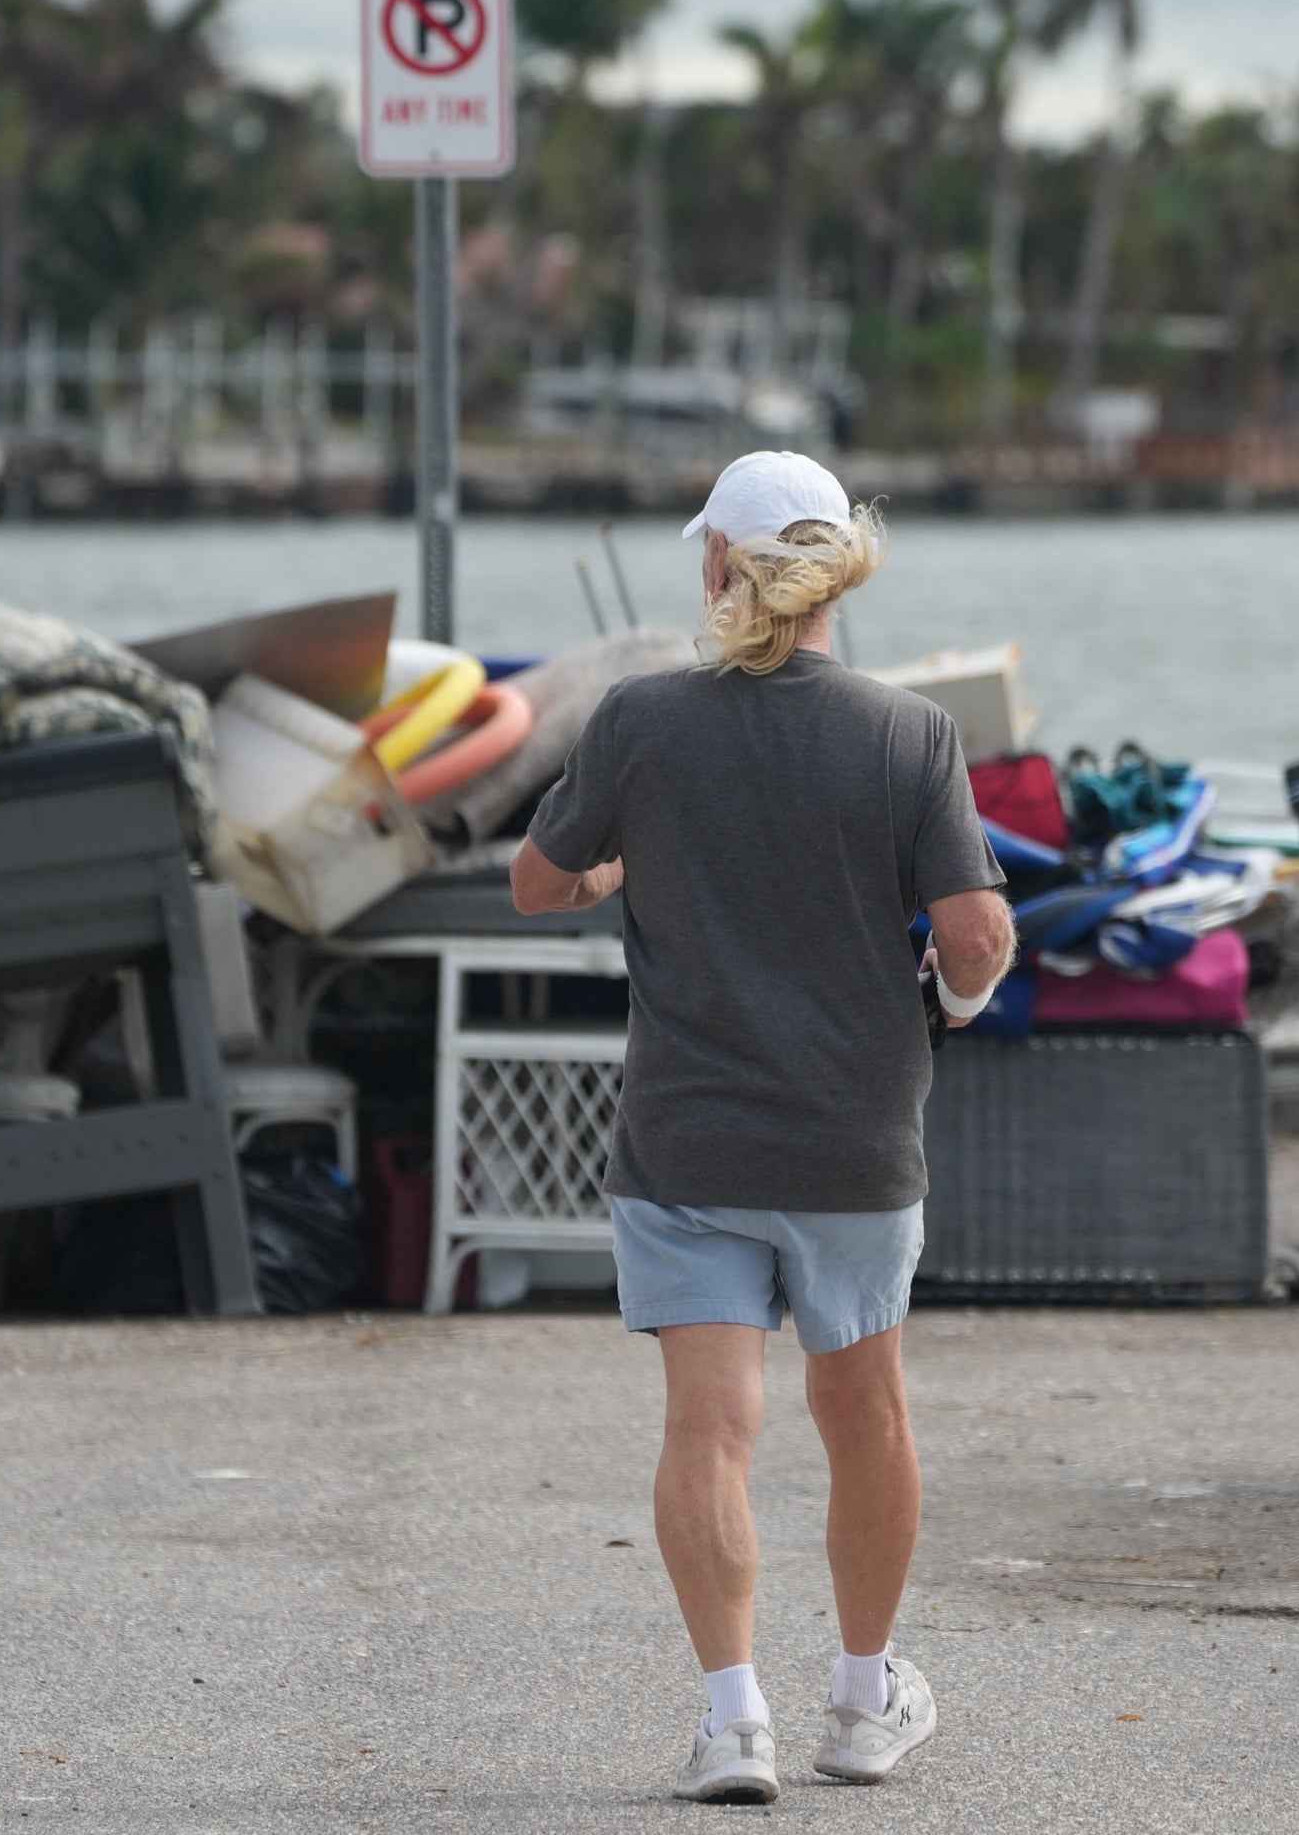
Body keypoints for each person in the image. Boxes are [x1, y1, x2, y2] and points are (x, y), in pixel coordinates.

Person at [512, 450, 1014, 1802]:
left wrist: (612, 872)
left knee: (708, 1431)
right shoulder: (910, 735)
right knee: (867, 1418)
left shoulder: (637, 721)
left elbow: (534, 882)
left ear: (721, 566)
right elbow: (973, 934)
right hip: (855, 1141)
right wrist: (962, 996)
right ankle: (860, 1701)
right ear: (837, 569)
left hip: (685, 1143)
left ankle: (735, 1722)